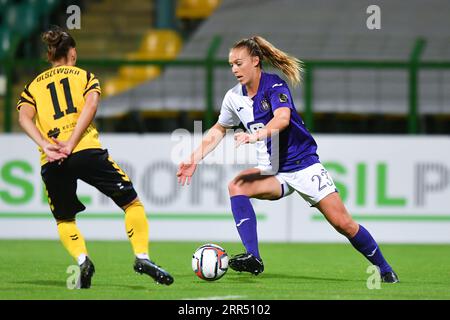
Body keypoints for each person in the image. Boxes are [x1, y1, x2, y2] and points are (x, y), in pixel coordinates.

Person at [177, 36, 399, 283]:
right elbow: (219, 129)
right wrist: (194, 158)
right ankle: (254, 258)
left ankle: (385, 269)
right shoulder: (233, 97)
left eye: (239, 63)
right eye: (231, 64)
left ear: (255, 61)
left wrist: (257, 134)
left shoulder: (274, 86)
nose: (234, 69)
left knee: (343, 223)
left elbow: (282, 119)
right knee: (236, 186)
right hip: (272, 170)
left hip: (303, 165)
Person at [16, 26, 173, 288]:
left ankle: (82, 261)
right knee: (131, 203)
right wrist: (72, 141)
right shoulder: (85, 76)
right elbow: (91, 105)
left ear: (50, 54)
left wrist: (45, 144)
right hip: (86, 150)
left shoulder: (33, 85)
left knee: (65, 219)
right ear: (73, 53)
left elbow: (23, 117)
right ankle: (141, 256)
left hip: (52, 160)